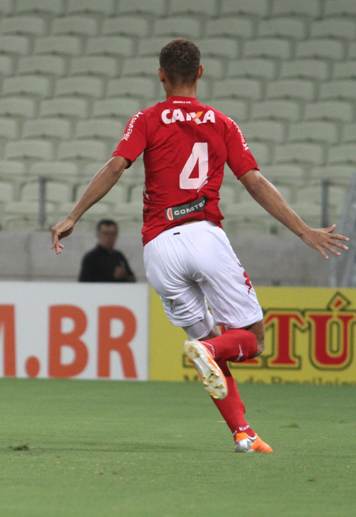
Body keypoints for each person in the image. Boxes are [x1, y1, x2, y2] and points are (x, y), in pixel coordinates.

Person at [51, 38, 348, 453]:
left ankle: (243, 433)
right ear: (201, 73)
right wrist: (303, 231)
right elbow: (255, 182)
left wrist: (73, 215)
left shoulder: (147, 119)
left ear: (161, 76)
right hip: (204, 235)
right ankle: (209, 350)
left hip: (157, 248)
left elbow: (116, 166)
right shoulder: (222, 123)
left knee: (211, 354)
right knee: (252, 340)